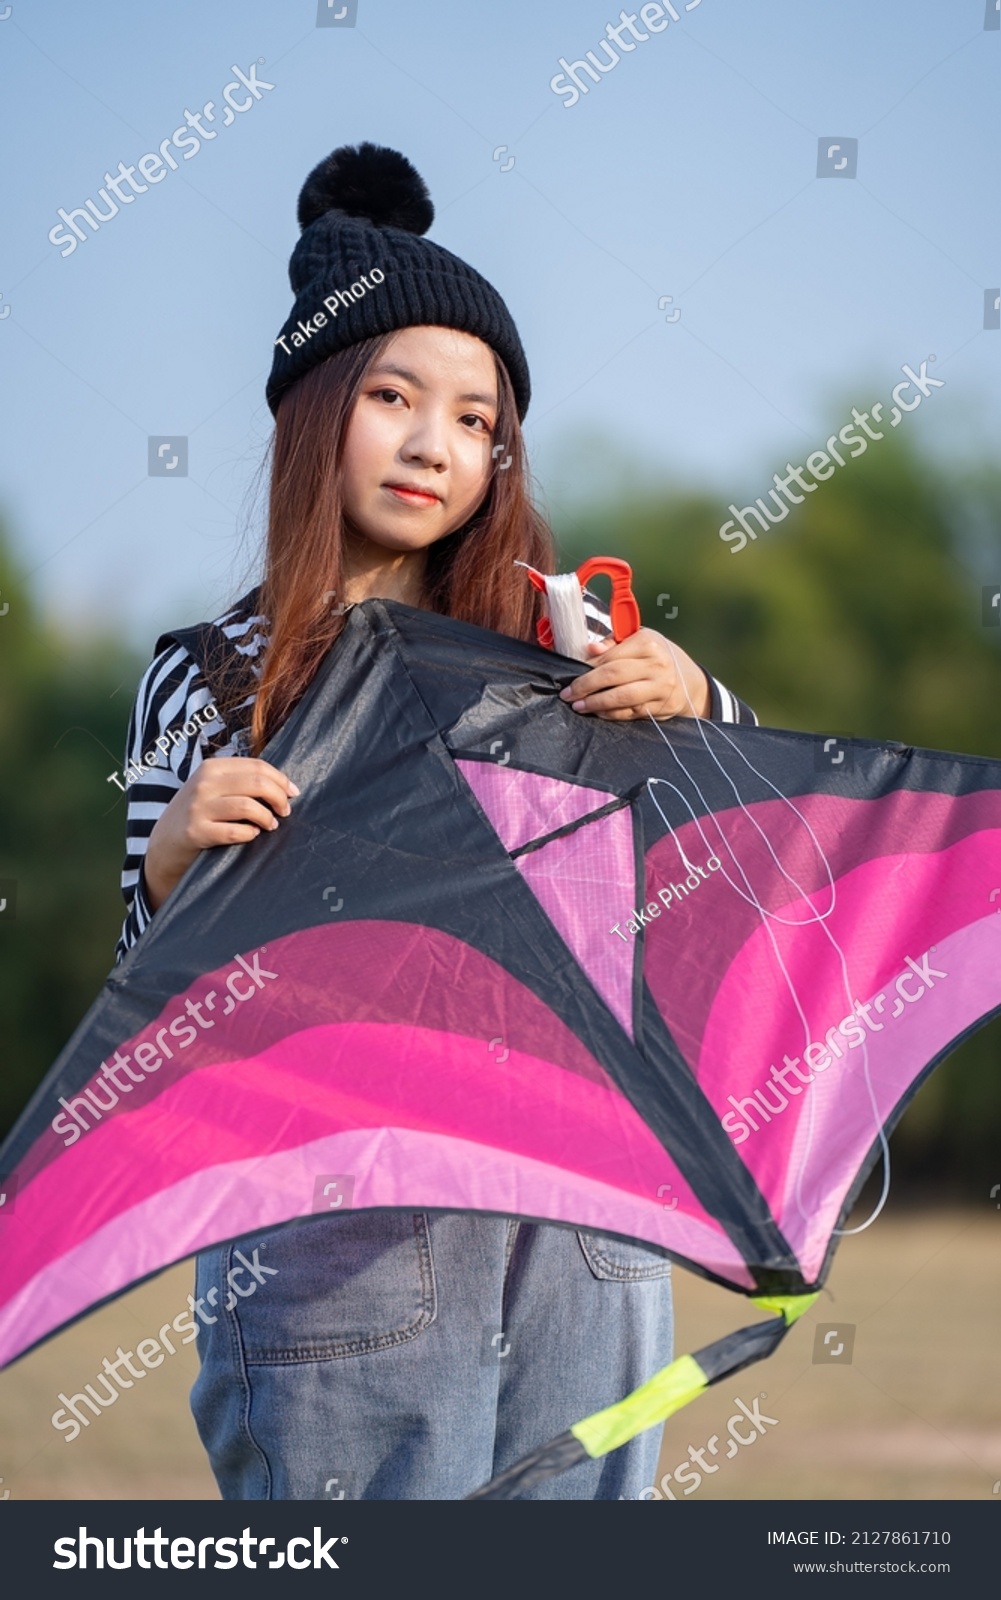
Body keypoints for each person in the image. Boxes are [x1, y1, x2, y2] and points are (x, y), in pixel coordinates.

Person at [114, 142, 756, 1501]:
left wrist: (698, 704)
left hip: (584, 1218)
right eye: (394, 397)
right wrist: (174, 859)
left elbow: (732, 861)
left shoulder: (552, 642)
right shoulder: (214, 669)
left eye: (477, 420)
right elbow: (152, 1001)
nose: (434, 444)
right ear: (312, 410)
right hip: (332, 1224)